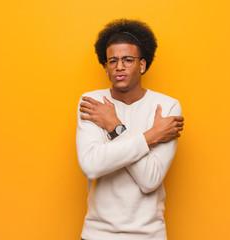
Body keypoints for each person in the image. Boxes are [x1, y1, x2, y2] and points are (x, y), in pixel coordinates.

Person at [76, 19, 184, 240]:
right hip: (97, 234)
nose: (119, 66)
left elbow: (150, 180)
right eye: (112, 61)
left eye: (127, 60)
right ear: (105, 67)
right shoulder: (93, 103)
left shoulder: (166, 107)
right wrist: (150, 135)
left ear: (142, 65)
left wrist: (115, 128)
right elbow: (91, 165)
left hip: (148, 235)